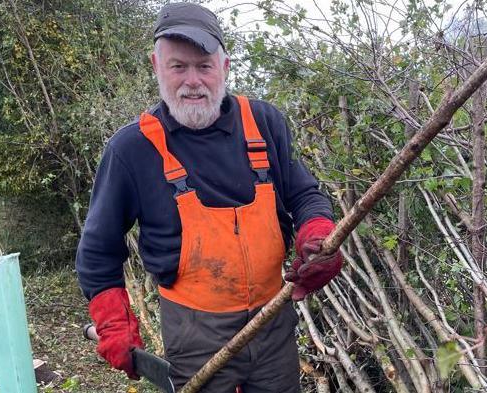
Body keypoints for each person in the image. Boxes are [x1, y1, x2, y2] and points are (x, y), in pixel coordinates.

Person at [75, 3, 343, 392]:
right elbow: (98, 250)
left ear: (225, 66)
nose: (192, 81)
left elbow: (304, 195)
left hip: (273, 320)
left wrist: (319, 236)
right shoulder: (132, 148)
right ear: (156, 66)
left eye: (204, 65)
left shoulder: (264, 123)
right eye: (178, 66)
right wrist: (113, 323)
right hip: (194, 329)